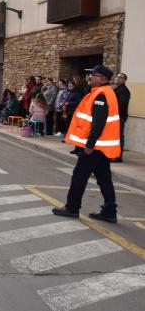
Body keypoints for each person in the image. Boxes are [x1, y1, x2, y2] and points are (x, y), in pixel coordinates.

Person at [53, 65, 121, 223]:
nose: (89, 77)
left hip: (95, 147)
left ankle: (72, 208)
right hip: (100, 147)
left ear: (102, 79)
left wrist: (89, 145)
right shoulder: (100, 93)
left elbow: (98, 124)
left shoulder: (101, 95)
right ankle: (109, 211)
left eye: (93, 75)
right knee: (104, 178)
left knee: (79, 176)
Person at [112, 72, 130, 163]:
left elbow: (121, 105)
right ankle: (114, 155)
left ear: (124, 80)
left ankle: (118, 157)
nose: (118, 78)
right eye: (117, 77)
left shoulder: (124, 91)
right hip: (115, 116)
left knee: (118, 136)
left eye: (120, 77)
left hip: (119, 117)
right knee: (115, 136)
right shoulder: (117, 89)